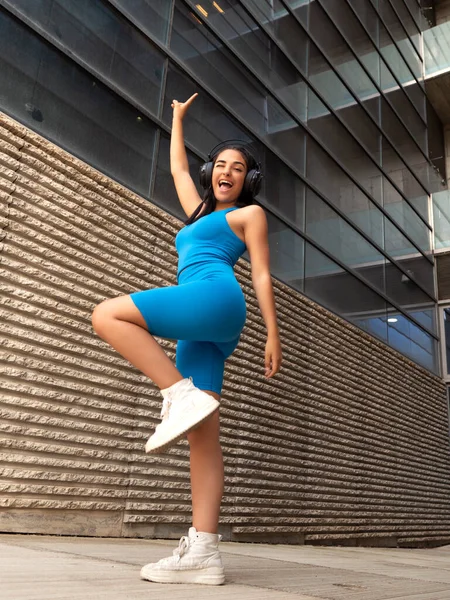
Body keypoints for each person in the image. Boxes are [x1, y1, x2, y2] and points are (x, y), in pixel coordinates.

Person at [91, 93, 282, 585]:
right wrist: (177, 119)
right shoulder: (199, 213)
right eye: (220, 165)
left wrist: (272, 334)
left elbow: (261, 275)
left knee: (107, 315)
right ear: (210, 172)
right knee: (204, 436)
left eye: (238, 168)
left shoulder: (248, 216)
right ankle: (204, 552)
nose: (227, 172)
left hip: (215, 298)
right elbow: (177, 169)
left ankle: (176, 394)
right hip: (204, 324)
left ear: (249, 180)